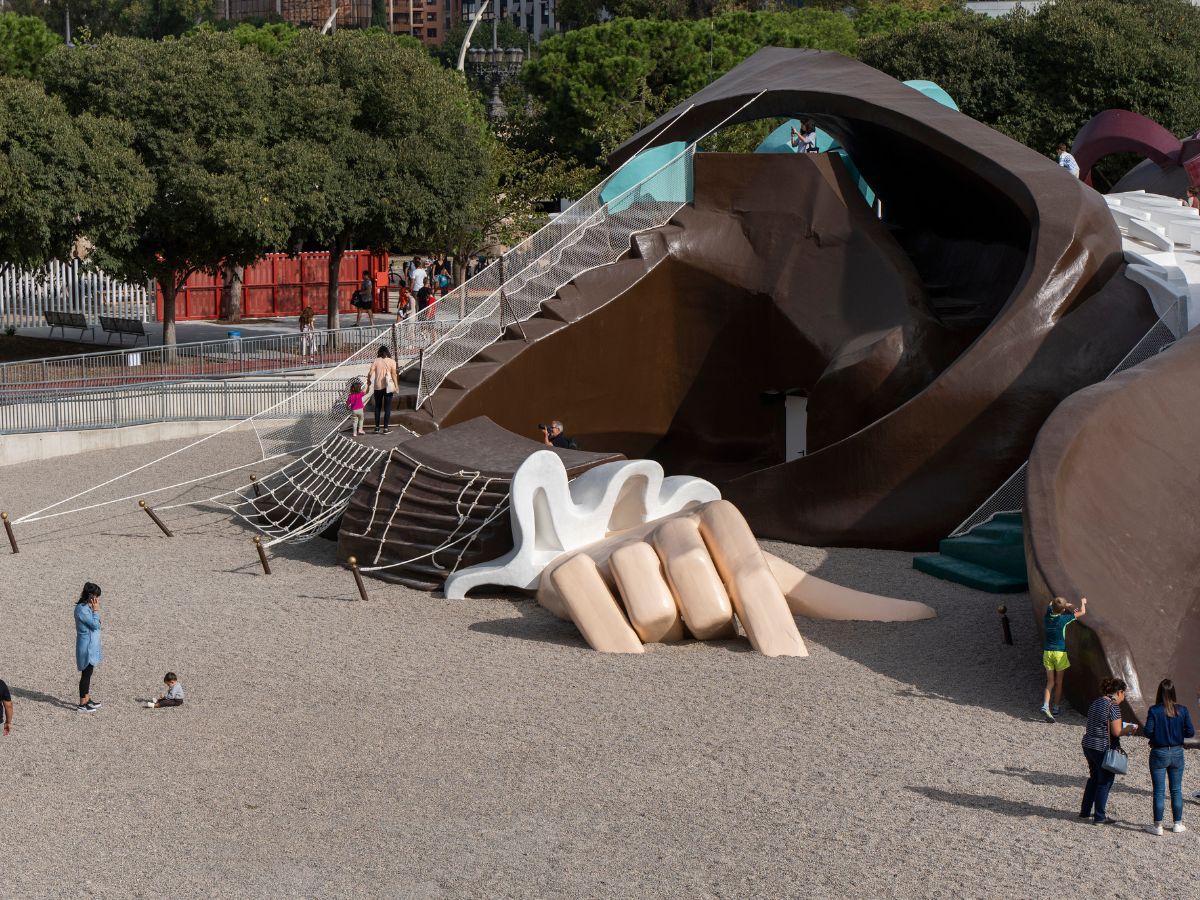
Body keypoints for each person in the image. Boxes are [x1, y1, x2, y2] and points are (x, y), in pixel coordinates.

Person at [1080, 676, 1137, 825]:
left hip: (1088, 744)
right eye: (1123, 694)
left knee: (1093, 778)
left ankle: (1085, 811)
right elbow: (1117, 731)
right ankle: (1099, 817)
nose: (1123, 698)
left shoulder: (1096, 702)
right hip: (1102, 747)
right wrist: (1130, 729)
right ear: (1119, 692)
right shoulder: (1113, 706)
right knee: (1105, 780)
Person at [1142, 678, 1194, 835]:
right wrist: (1179, 734)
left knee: (1158, 790)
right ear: (1173, 692)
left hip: (1159, 752)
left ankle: (1158, 826)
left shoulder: (1154, 710)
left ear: (1159, 692)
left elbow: (1147, 731)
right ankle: (1177, 823)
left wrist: (1156, 736)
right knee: (1176, 789)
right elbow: (1190, 732)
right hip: (1177, 752)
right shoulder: (1182, 710)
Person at [1041, 595, 1086, 721]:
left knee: (1050, 682)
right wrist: (1082, 602)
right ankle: (1056, 708)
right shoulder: (1064, 619)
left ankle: (1045, 705)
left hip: (1048, 652)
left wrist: (1063, 605)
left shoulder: (1047, 616)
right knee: (1059, 682)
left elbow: (1051, 604)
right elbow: (1082, 612)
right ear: (1063, 610)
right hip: (1060, 653)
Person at [74, 582, 103, 713]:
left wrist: (94, 610)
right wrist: (96, 611)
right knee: (86, 674)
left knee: (89, 673)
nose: (97, 599)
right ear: (91, 596)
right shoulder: (82, 610)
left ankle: (87, 699)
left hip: (91, 646)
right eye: (96, 596)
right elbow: (95, 625)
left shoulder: (87, 607)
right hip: (86, 648)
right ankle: (82, 704)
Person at [367, 346, 398, 435]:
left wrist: (368, 381)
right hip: (388, 387)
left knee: (377, 407)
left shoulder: (376, 360)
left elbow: (370, 373)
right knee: (387, 408)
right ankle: (385, 429)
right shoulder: (392, 361)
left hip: (378, 387)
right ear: (388, 352)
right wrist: (396, 386)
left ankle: (376, 428)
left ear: (379, 352)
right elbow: (394, 375)